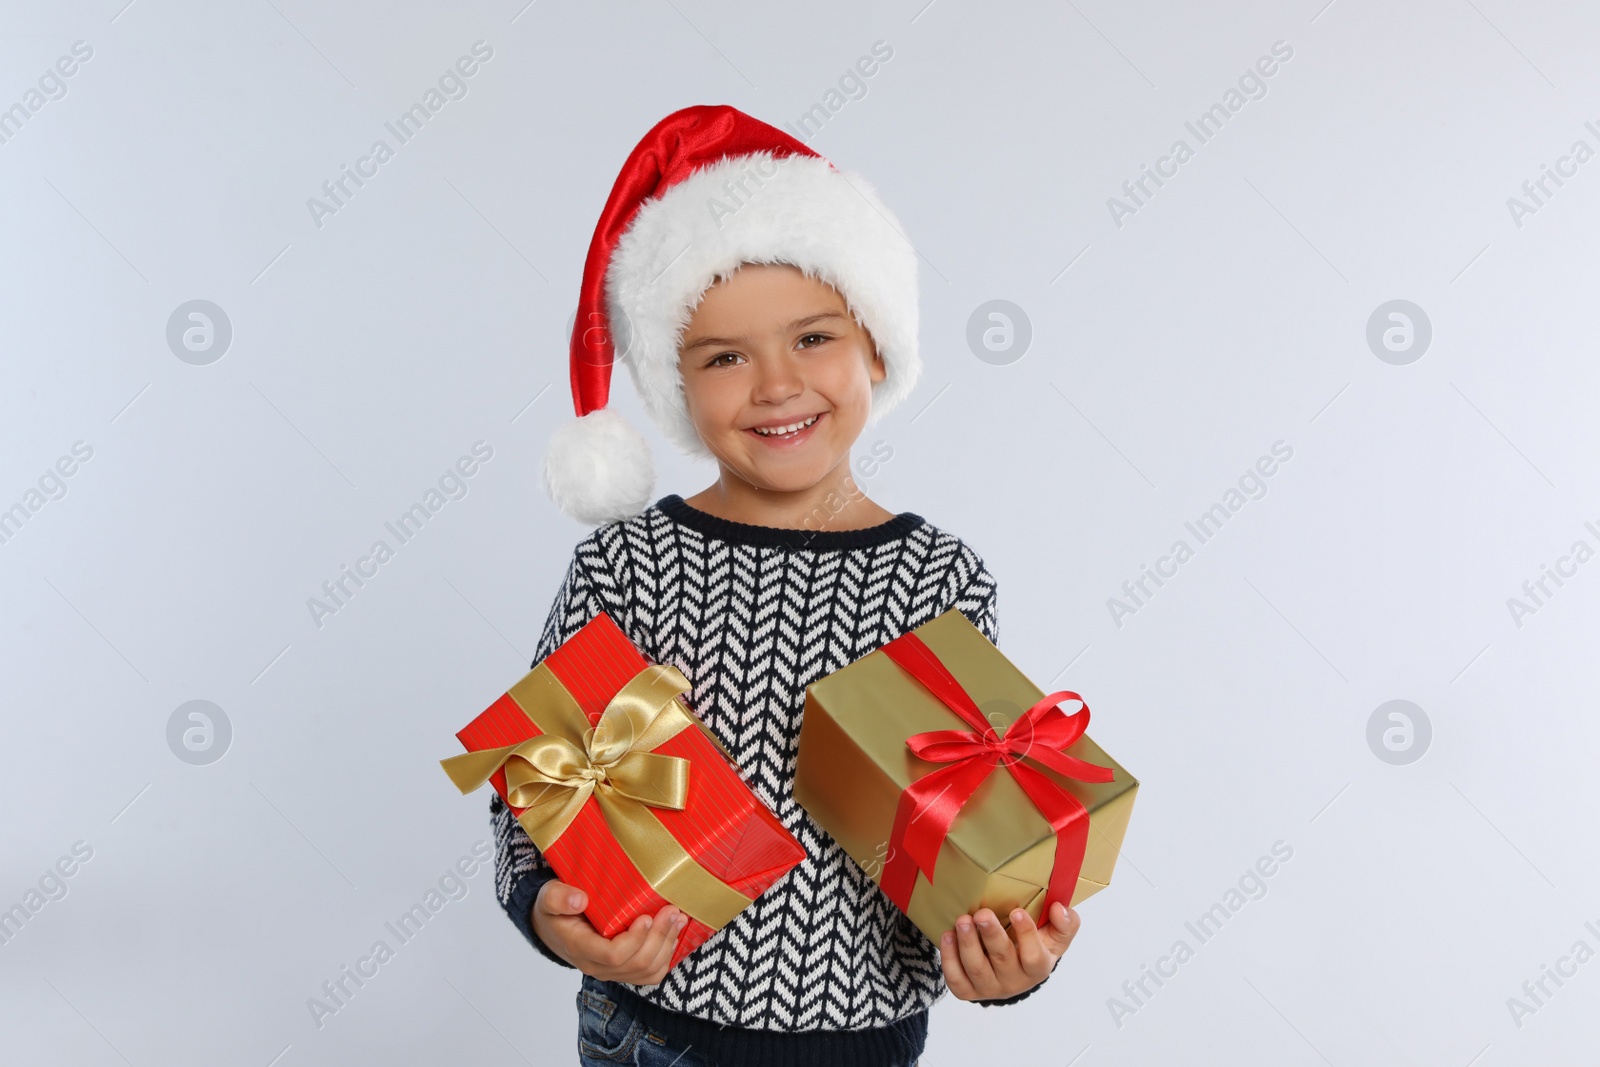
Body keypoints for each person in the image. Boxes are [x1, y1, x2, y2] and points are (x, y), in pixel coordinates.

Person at [491, 105, 1081, 1067]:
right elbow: (534, 789)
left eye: (813, 338)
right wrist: (549, 914)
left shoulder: (941, 580)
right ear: (675, 384)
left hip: (865, 1040)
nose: (774, 385)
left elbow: (982, 825)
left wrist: (1014, 950)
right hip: (651, 1032)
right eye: (724, 356)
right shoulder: (627, 566)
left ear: (877, 347)